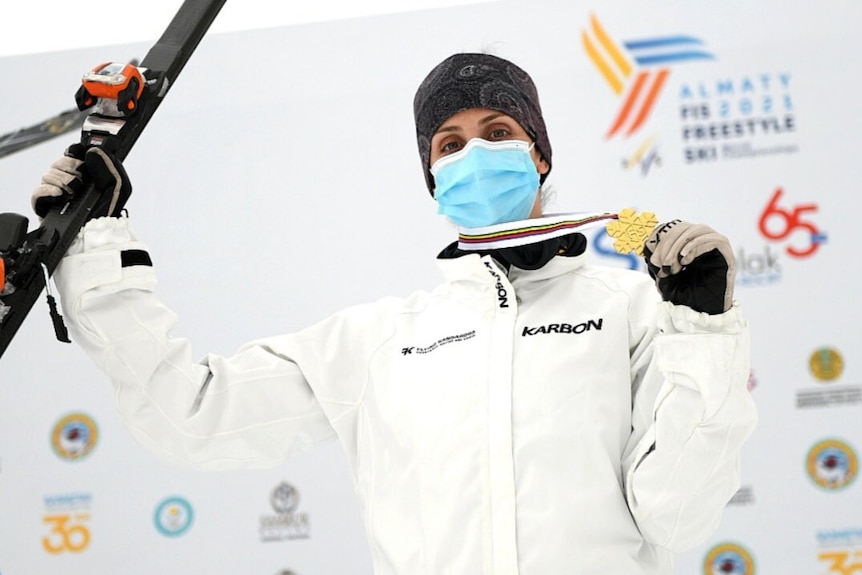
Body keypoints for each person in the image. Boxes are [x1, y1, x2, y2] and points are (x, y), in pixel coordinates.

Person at [32, 52, 757, 575]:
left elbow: (677, 515)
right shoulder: (381, 341)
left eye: (498, 130)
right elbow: (191, 415)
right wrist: (95, 244)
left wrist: (704, 329)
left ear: (538, 154)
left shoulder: (631, 309)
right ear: (433, 177)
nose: (474, 150)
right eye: (449, 143)